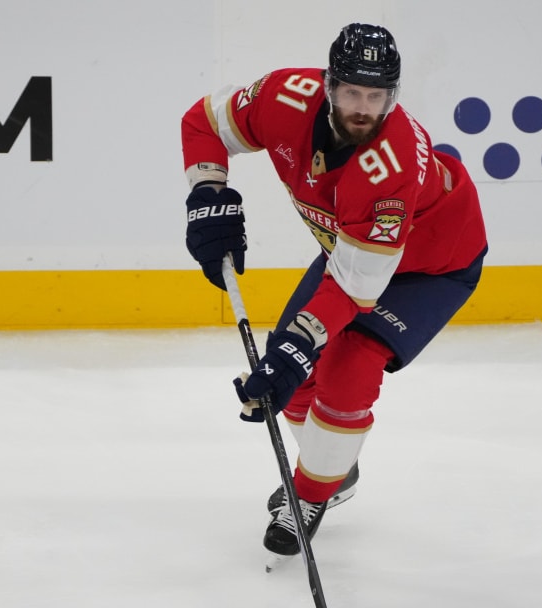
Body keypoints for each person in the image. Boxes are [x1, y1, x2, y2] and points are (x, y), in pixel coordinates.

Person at [180, 23, 488, 559]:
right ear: (327, 85)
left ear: (393, 96)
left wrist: (302, 347)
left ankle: (311, 495)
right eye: (352, 92)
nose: (364, 108)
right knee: (292, 370)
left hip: (432, 266)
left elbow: (352, 289)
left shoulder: (388, 171)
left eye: (377, 96)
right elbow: (203, 122)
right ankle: (333, 469)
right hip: (353, 252)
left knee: (347, 359)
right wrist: (209, 193)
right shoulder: (282, 97)